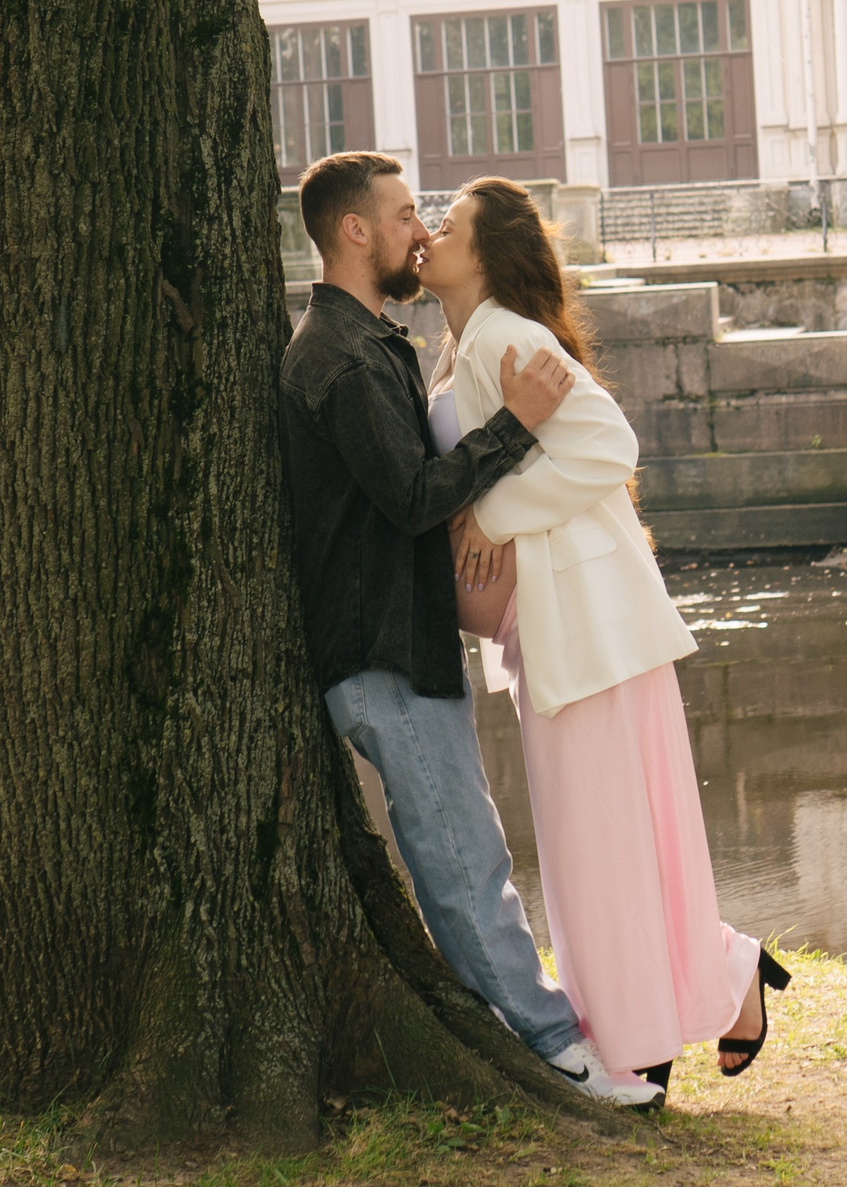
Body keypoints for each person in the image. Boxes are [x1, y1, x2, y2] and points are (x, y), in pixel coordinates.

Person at [276, 151, 661, 1110]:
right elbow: (410, 496)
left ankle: (538, 1035)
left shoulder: (373, 344)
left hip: (406, 647)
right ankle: (558, 1052)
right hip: (379, 653)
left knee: (467, 850)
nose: (420, 230)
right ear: (356, 231)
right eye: (407, 215)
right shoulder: (336, 354)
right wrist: (516, 428)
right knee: (462, 860)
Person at [420, 177, 789, 1092]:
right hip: (558, 631)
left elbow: (609, 445)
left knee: (606, 847)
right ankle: (708, 984)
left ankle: (641, 1036)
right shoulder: (470, 344)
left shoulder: (506, 335)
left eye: (449, 224)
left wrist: (492, 516)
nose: (430, 231)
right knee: (613, 843)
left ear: (489, 252)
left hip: (588, 628)